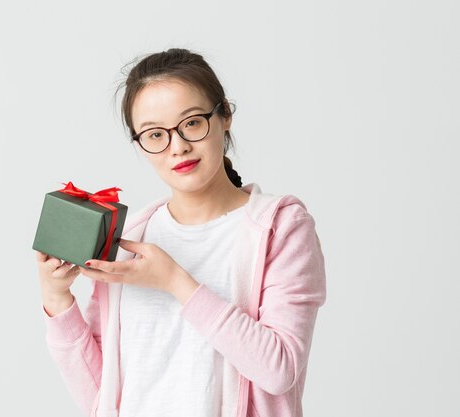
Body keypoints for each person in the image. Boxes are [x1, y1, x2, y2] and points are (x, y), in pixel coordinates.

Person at [34, 48, 327, 417]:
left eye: (191, 123)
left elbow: (279, 370)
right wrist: (57, 298)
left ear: (225, 116)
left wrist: (175, 282)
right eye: (155, 135)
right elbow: (100, 395)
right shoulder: (132, 237)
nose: (178, 147)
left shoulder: (280, 227)